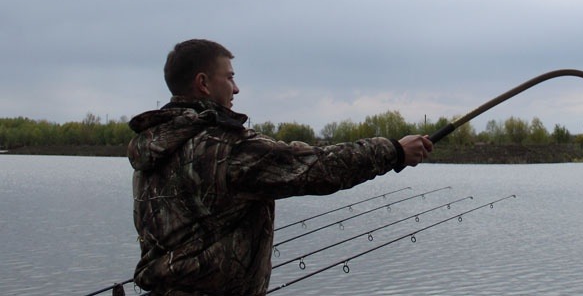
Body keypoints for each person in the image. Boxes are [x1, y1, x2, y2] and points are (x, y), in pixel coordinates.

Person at [127, 39, 433, 296]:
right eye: (229, 77)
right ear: (203, 83)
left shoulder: (152, 146)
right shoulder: (226, 149)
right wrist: (394, 151)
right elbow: (317, 167)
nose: (236, 89)